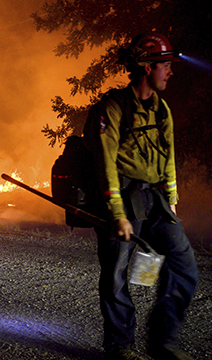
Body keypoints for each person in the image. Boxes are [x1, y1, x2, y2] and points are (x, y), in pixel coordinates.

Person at [83, 32, 198, 360]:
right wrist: (117, 213)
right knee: (117, 273)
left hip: (156, 202)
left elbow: (169, 157)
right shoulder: (114, 107)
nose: (171, 72)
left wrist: (172, 201)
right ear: (147, 68)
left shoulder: (163, 110)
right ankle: (120, 346)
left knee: (184, 264)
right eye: (165, 65)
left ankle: (163, 342)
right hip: (123, 199)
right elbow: (105, 163)